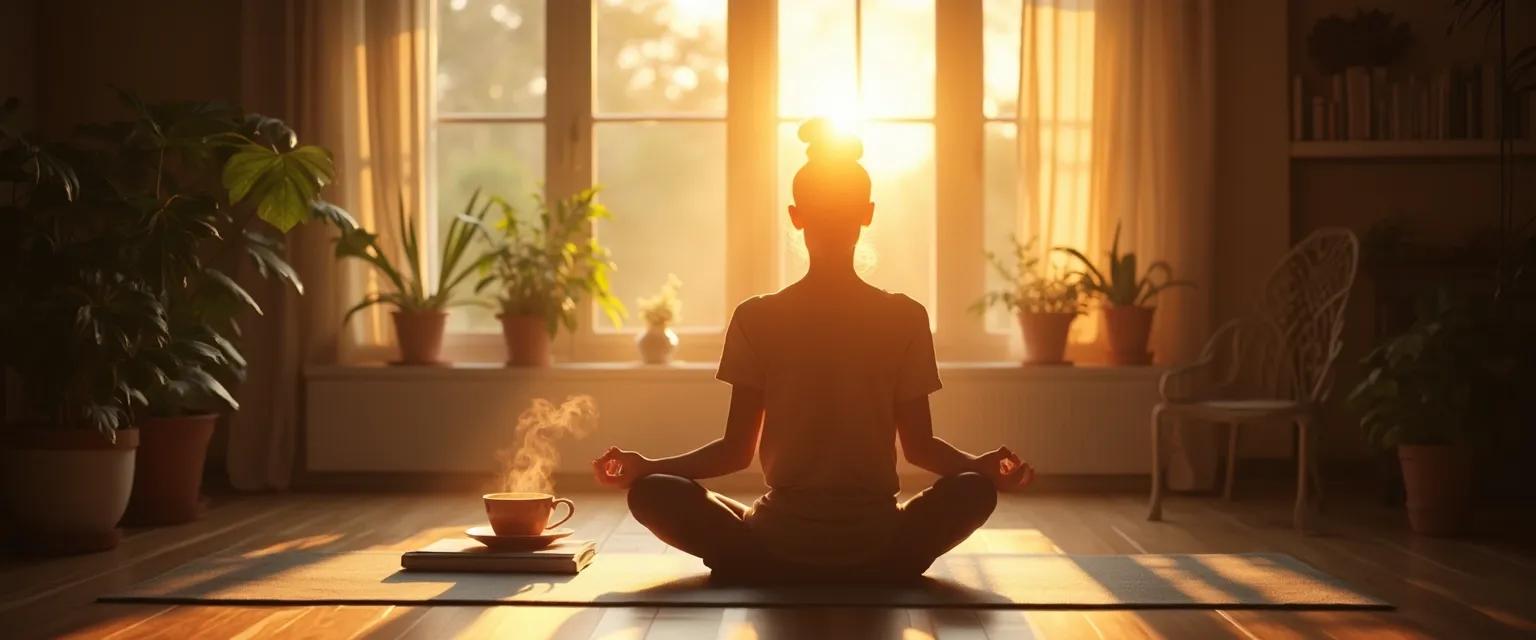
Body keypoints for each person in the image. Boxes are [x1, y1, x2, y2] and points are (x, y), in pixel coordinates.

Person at [592, 118, 1034, 583]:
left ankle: (766, 567)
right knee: (973, 491)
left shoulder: (757, 316)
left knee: (653, 492)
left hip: (775, 544)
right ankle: (875, 568)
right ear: (867, 213)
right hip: (880, 544)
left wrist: (648, 468)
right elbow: (920, 448)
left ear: (796, 214)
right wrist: (979, 469)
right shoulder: (904, 316)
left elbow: (734, 453)